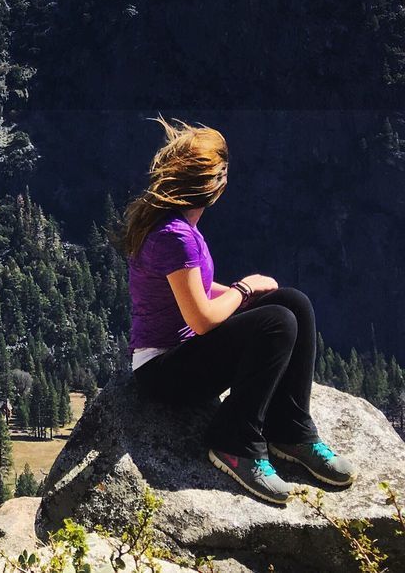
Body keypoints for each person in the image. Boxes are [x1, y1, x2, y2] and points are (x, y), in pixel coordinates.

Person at [122, 118, 355, 505]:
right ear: (214, 185)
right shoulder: (175, 236)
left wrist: (242, 295)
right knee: (276, 322)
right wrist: (244, 290)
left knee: (292, 301)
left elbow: (191, 288)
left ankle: (289, 430)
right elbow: (201, 319)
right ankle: (235, 442)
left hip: (183, 357)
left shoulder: (173, 225)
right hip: (163, 373)